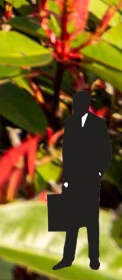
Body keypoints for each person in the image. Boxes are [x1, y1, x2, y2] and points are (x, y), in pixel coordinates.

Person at [56, 87, 112, 271]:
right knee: (70, 220)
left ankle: (94, 259)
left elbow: (105, 152)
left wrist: (97, 173)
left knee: (91, 221)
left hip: (89, 177)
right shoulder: (71, 123)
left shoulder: (97, 124)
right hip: (72, 177)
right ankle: (67, 257)